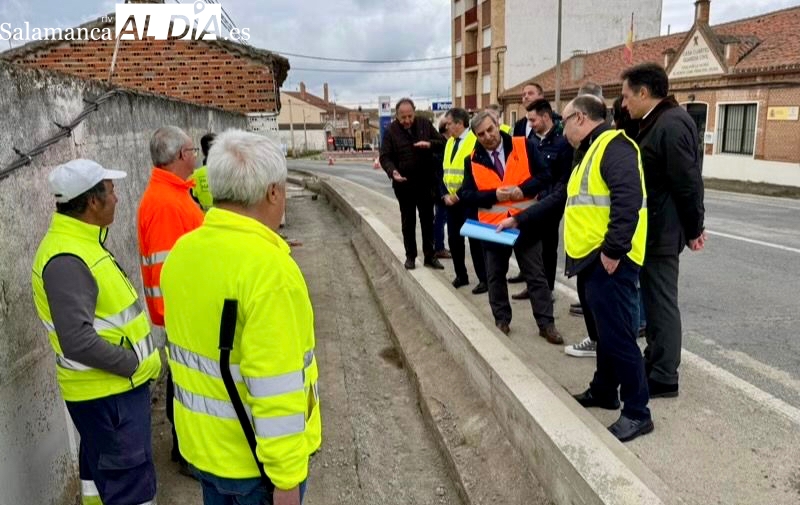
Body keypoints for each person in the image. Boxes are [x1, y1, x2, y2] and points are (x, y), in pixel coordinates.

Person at [161, 130, 321, 505]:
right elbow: (277, 389)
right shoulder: (270, 271)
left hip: (205, 452)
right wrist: (286, 481)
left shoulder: (182, 253)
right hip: (255, 469)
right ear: (272, 193)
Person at [505, 95, 652, 441]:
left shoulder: (615, 148)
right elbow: (560, 196)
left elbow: (628, 200)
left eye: (564, 119)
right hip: (590, 259)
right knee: (603, 334)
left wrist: (614, 251)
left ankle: (637, 411)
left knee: (619, 338)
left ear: (581, 118)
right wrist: (519, 220)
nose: (561, 126)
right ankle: (604, 390)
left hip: (610, 260)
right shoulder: (587, 151)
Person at [32, 159, 161, 505]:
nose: (118, 198)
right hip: (110, 397)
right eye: (112, 190)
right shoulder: (67, 258)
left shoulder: (81, 243)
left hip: (109, 397)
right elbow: (77, 340)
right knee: (131, 489)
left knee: (101, 482)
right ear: (92, 201)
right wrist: (132, 364)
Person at [621, 62, 705, 398]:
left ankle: (665, 376)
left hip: (663, 232)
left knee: (662, 304)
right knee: (653, 305)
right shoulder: (653, 122)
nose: (624, 104)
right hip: (651, 230)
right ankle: (654, 359)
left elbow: (688, 184)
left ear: (644, 92)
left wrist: (694, 227)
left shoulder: (671, 124)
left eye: (627, 96)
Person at [459, 111, 563, 344]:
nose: (488, 136)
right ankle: (502, 320)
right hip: (494, 229)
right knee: (495, 276)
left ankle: (547, 324)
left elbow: (546, 175)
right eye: (481, 133)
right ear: (476, 135)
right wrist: (492, 195)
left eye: (490, 129)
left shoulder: (523, 145)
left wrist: (523, 190)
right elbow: (466, 195)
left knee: (536, 276)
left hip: (525, 223)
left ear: (498, 125)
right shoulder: (472, 159)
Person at [137, 125, 205, 474]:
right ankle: (188, 453)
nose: (196, 156)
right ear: (181, 155)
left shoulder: (175, 193)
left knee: (183, 381)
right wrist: (177, 315)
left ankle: (186, 449)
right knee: (186, 384)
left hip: (184, 311)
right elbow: (165, 270)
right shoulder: (165, 203)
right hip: (181, 314)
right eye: (193, 150)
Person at [510, 99, 573, 302]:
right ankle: (533, 285)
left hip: (551, 205)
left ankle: (548, 290)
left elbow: (563, 179)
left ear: (546, 117)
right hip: (531, 203)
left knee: (547, 248)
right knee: (529, 246)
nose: (530, 124)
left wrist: (543, 197)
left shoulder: (563, 143)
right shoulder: (534, 141)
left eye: (533, 120)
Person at [380, 98, 447, 270]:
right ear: (397, 115)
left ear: (414, 112)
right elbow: (385, 157)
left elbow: (443, 143)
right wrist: (392, 171)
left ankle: (430, 256)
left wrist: (429, 144)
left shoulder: (425, 124)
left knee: (427, 221)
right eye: (403, 117)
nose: (407, 121)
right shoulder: (390, 132)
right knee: (408, 222)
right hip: (404, 186)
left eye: (410, 116)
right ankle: (410, 256)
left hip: (426, 183)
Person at [439, 107, 488, 294]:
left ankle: (484, 279)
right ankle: (461, 275)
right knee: (454, 240)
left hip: (468, 200)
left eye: (449, 123)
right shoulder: (450, 143)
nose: (446, 126)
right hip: (450, 202)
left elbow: (475, 174)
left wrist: (458, 195)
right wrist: (444, 193)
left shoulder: (474, 141)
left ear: (460, 123)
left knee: (476, 241)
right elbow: (444, 171)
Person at [433, 121, 451, 260]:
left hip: (438, 186)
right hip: (441, 187)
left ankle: (437, 245)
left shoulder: (442, 143)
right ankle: (439, 247)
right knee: (441, 217)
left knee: (439, 217)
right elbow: (441, 169)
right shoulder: (443, 145)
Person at [189, 132, 216, 210]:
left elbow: (194, 198)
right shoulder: (229, 171)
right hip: (228, 219)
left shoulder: (196, 175)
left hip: (205, 219)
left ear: (203, 151)